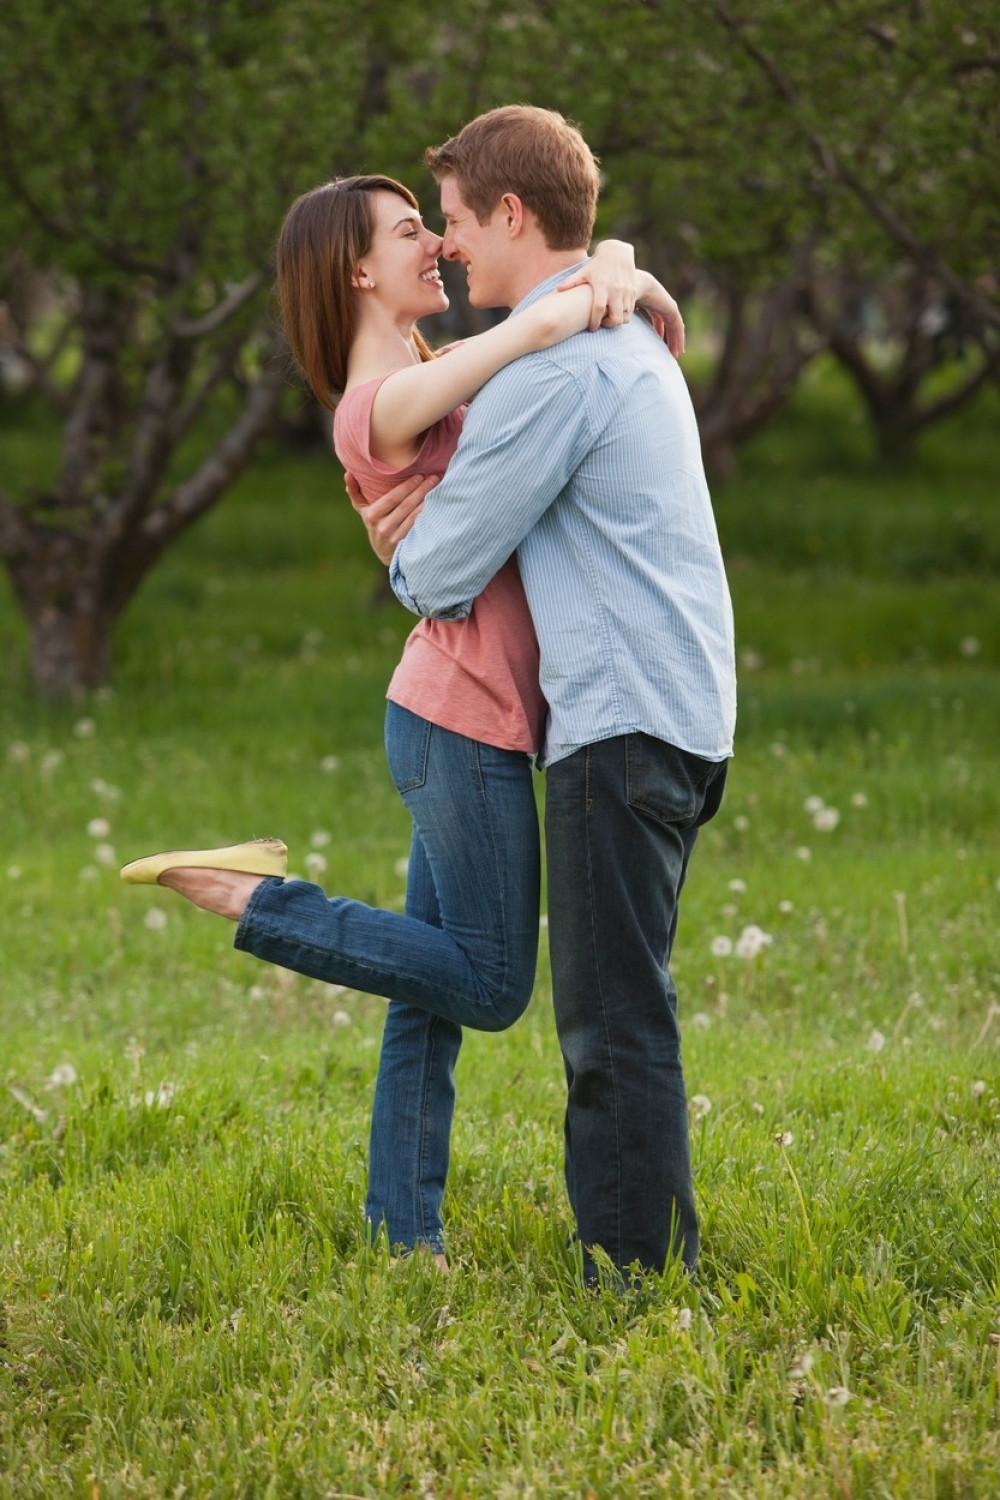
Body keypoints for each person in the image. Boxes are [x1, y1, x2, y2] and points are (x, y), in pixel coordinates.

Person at [121, 171, 685, 1270]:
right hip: (457, 723)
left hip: (466, 715)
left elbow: (574, 317)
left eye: (433, 224)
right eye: (408, 231)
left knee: (424, 990)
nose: (435, 244)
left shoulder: (425, 375)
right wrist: (578, 294)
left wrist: (612, 263)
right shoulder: (374, 402)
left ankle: (402, 1229)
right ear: (357, 271)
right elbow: (525, 343)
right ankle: (254, 900)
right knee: (485, 983)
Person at [351, 107, 736, 1285]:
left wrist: (397, 544)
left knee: (611, 1020)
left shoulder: (555, 363)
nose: (450, 245)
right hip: (684, 711)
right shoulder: (627, 334)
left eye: (457, 221)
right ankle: (645, 1249)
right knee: (632, 1000)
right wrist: (617, 266)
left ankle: (631, 1270)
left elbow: (439, 569)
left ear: (513, 214)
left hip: (616, 722)